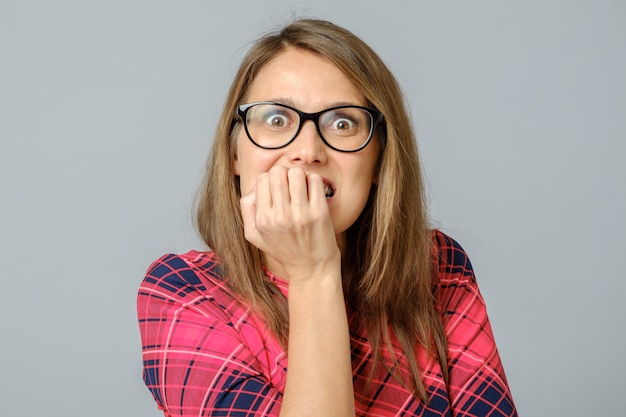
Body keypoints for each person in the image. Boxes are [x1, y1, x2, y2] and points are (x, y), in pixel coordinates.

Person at [137, 18, 518, 417]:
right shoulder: (181, 292)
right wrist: (312, 274)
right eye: (276, 119)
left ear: (378, 162)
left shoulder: (436, 266)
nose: (307, 150)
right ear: (235, 154)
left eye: (342, 123)